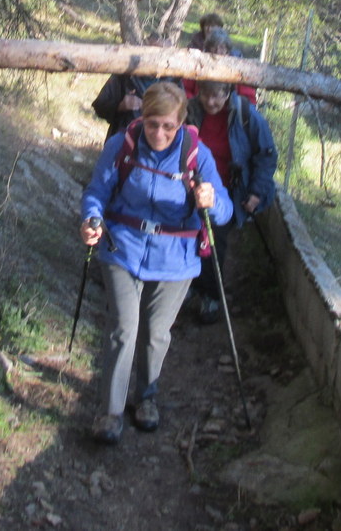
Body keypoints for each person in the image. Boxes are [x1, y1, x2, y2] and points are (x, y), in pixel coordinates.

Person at [79, 82, 233, 444]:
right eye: (152, 124)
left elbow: (224, 211)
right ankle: (111, 411)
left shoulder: (198, 156)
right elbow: (97, 192)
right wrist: (90, 219)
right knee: (123, 330)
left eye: (167, 126)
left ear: (180, 123)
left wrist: (211, 200)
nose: (159, 133)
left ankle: (146, 398)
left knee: (156, 334)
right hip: (122, 247)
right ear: (142, 118)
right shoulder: (122, 146)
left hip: (176, 258)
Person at [185, 80, 277, 324]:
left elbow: (266, 155)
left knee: (215, 242)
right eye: (205, 95)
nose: (211, 102)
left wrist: (256, 192)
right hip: (189, 189)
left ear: (228, 93)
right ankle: (188, 285)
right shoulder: (189, 111)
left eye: (217, 96)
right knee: (188, 236)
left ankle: (211, 297)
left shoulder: (246, 117)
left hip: (226, 193)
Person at [91, 39, 179, 141]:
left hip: (159, 143)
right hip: (123, 142)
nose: (155, 60)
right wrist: (120, 105)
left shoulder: (174, 80)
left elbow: (182, 116)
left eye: (160, 55)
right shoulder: (125, 76)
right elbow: (99, 106)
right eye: (151, 54)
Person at [183, 28, 258, 105]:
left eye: (222, 47)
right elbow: (185, 89)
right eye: (213, 47)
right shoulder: (198, 65)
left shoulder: (238, 69)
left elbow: (249, 99)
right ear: (208, 49)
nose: (217, 51)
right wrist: (195, 103)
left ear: (227, 51)